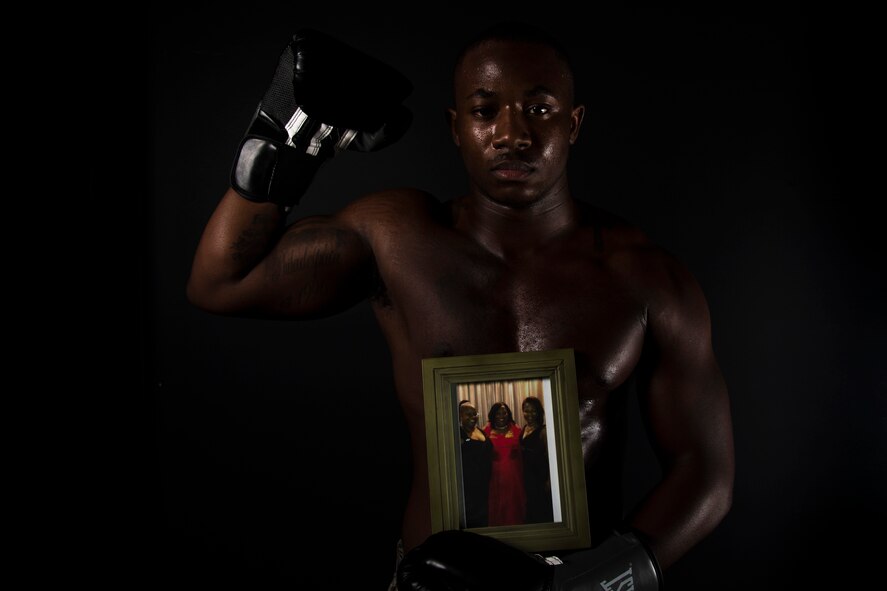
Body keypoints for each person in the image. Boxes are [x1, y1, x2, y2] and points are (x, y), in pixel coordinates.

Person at [187, 22, 734, 590]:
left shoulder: (645, 276)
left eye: (540, 109)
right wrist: (285, 139)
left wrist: (588, 585)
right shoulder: (399, 238)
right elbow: (222, 281)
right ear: (456, 128)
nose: (511, 134)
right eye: (484, 111)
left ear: (574, 125)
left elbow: (706, 472)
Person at [482, 402, 526, 526]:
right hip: (495, 477)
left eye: (504, 413)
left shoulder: (516, 429)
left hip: (514, 477)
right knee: (497, 505)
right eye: (498, 413)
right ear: (493, 415)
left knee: (513, 505)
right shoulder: (486, 431)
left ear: (509, 414)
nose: (501, 416)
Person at [458, 400, 493, 528]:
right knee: (472, 520)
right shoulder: (457, 434)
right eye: (468, 414)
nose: (473, 417)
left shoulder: (480, 430)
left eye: (475, 413)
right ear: (460, 416)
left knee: (484, 518)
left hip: (484, 485)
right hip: (468, 488)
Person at [520, 396, 553, 524]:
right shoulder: (523, 428)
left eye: (533, 410)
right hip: (527, 477)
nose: (529, 414)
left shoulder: (543, 431)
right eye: (526, 410)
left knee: (541, 510)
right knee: (531, 509)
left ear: (539, 411)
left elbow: (550, 458)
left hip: (540, 477)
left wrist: (550, 480)